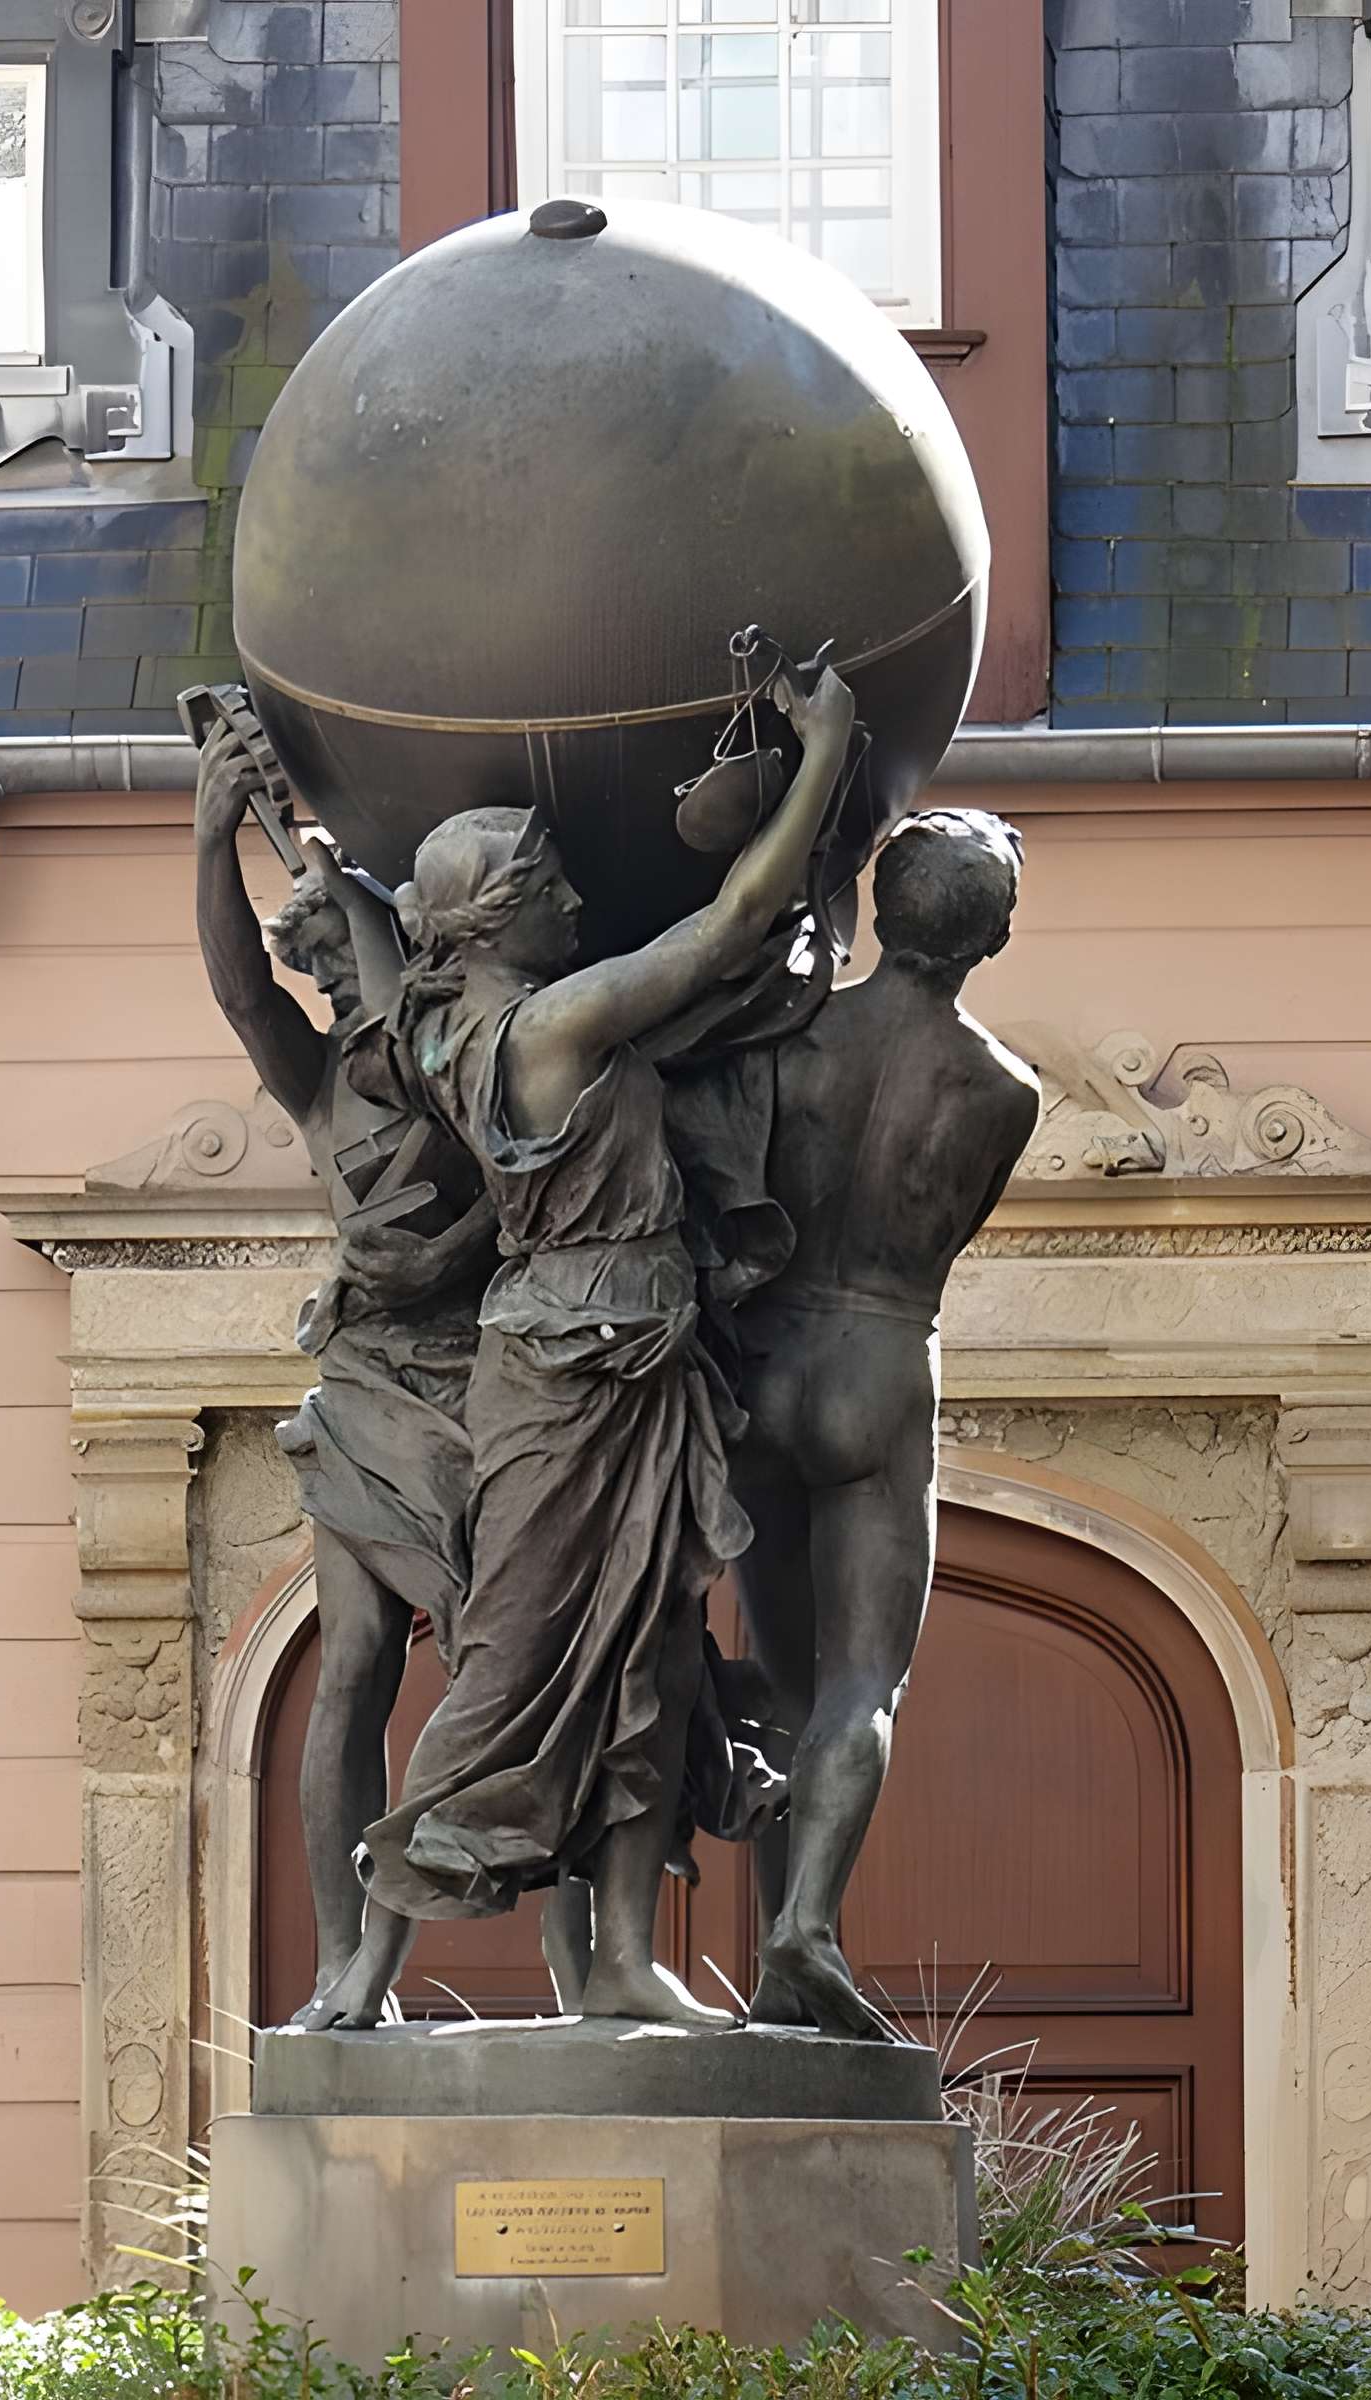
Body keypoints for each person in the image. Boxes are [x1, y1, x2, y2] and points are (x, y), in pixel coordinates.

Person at [299, 656, 857, 2032]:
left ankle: (621, 1957)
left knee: (650, 1653)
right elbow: (728, 927)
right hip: (568, 1371)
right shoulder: (548, 1023)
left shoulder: (442, 1023)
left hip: (638, 1357)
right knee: (517, 1664)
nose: (572, 896)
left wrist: (343, 877)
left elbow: (392, 963)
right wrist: (831, 749)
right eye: (547, 883)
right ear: (494, 919)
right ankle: (370, 1961)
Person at [193, 719, 505, 2015]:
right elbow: (235, 992)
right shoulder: (326, 1090)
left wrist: (328, 850)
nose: (319, 963)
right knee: (357, 1664)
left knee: (540, 1667)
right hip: (371, 1390)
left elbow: (518, 1192)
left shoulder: (462, 1064)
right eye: (309, 946)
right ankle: (347, 1962)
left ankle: (592, 1962)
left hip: (501, 1392)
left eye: (334, 937)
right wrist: (216, 831)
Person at [725, 808, 1040, 2038]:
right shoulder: (1002, 1091)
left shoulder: (791, 1043)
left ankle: (782, 1960)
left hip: (767, 1356)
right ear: (995, 934)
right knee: (864, 1680)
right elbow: (948, 1237)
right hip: (881, 1355)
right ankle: (804, 1928)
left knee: (788, 1680)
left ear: (886, 903)